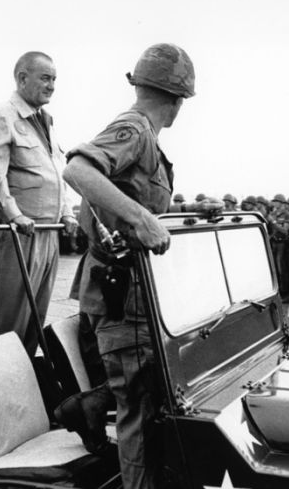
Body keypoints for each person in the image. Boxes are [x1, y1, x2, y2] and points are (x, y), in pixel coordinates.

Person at [59, 43, 195, 489]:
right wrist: (142, 218)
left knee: (146, 406)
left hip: (132, 295)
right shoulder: (135, 129)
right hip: (123, 300)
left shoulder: (145, 138)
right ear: (176, 101)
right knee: (138, 413)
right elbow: (77, 169)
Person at [0, 51, 77, 357]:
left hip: (47, 233)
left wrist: (67, 213)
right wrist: (14, 215)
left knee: (34, 323)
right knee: (6, 328)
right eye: (45, 78)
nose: (52, 86)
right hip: (16, 235)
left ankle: (22, 397)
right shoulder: (1, 115)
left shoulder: (45, 122)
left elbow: (57, 175)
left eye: (54, 79)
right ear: (22, 78)